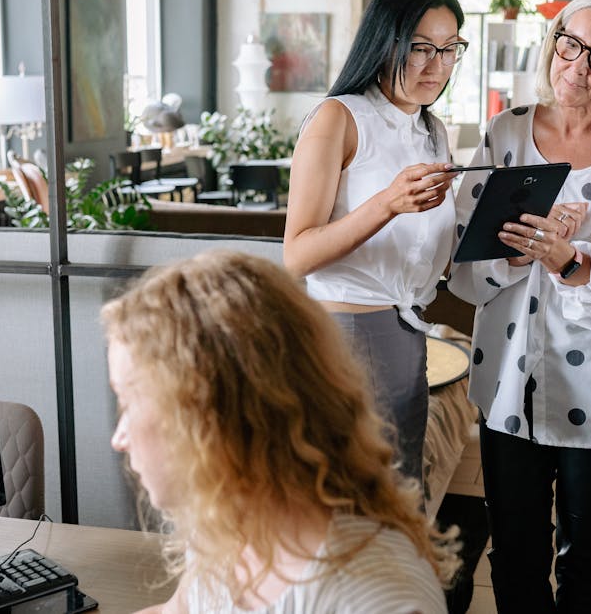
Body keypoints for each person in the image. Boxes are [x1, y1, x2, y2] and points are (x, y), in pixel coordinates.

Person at [447, 0, 591, 612]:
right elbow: (462, 265)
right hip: (508, 379)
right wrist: (523, 252)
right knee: (515, 554)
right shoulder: (505, 133)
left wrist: (572, 259)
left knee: (588, 558)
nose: (577, 66)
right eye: (569, 45)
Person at [102, 250, 458, 614]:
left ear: (209, 417)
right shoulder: (228, 520)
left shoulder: (376, 598)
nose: (120, 438)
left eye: (129, 402)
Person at [282, 0, 466, 487]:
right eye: (421, 46)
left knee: (400, 495)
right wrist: (387, 202)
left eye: (449, 48)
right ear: (385, 42)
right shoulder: (337, 118)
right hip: (348, 333)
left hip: (409, 330)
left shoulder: (432, 130)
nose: (437, 64)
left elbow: (431, 251)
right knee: (357, 500)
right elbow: (296, 255)